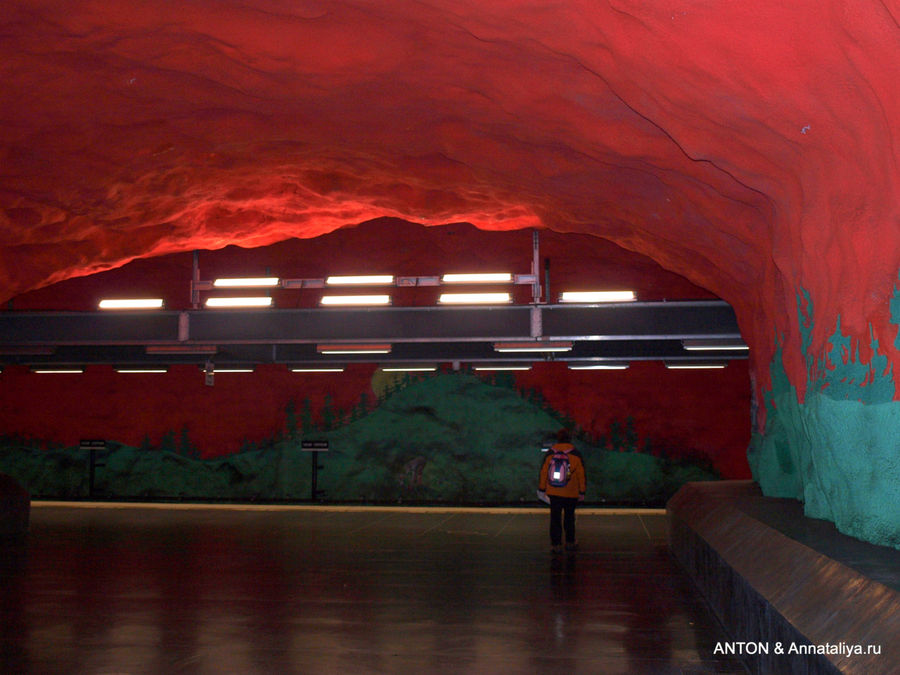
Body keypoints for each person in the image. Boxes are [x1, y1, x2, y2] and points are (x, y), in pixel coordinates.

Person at [538, 428, 586, 553]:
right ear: (570, 439)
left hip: (554, 492)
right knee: (569, 518)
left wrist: (542, 489)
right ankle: (570, 542)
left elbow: (544, 473)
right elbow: (581, 474)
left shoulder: (550, 453)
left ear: (558, 439)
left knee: (555, 519)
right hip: (571, 492)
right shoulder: (575, 454)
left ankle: (556, 544)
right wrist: (582, 491)